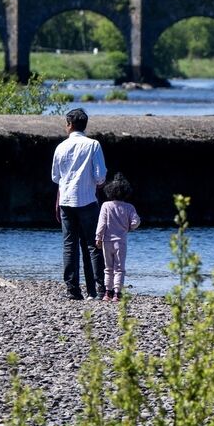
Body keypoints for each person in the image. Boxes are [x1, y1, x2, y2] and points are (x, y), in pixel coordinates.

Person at [51, 108, 107, 300]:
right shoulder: (93, 145)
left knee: (69, 245)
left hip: (66, 201)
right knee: (93, 245)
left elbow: (56, 177)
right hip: (87, 200)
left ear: (70, 125)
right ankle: (99, 289)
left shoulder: (60, 147)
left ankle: (73, 290)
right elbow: (100, 177)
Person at [95, 173, 140, 303]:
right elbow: (136, 222)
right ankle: (117, 294)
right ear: (126, 192)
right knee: (119, 268)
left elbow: (102, 223)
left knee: (108, 268)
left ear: (109, 191)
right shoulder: (129, 207)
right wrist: (129, 227)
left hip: (107, 241)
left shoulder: (106, 205)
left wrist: (98, 237)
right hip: (121, 242)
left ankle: (107, 293)